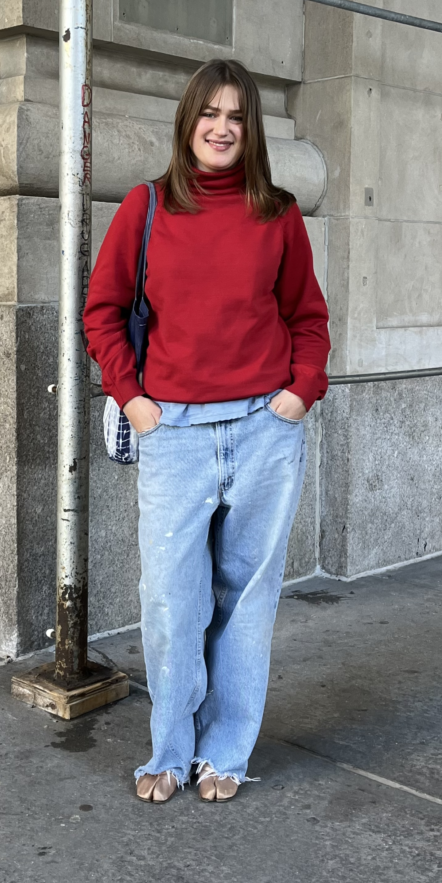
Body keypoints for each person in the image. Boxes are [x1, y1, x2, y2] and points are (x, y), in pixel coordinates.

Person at [84, 58, 330, 803]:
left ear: (250, 130)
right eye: (209, 114)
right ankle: (168, 748)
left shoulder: (278, 214)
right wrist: (133, 399)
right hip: (176, 435)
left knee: (246, 602)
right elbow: (102, 312)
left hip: (264, 429)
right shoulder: (148, 207)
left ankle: (225, 752)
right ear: (188, 123)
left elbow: (307, 318)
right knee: (170, 604)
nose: (222, 128)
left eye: (237, 116)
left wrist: (299, 393)